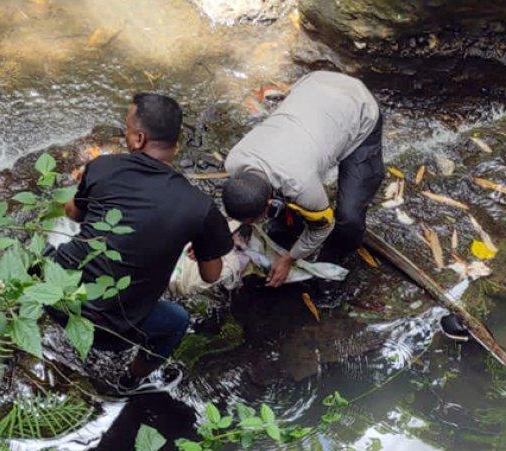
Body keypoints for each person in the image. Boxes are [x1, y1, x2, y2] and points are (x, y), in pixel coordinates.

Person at [52, 93, 233, 388]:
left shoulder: (102, 167)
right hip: (111, 334)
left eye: (126, 128)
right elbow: (211, 274)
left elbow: (73, 214)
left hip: (56, 296)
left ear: (138, 138)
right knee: (176, 321)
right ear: (175, 143)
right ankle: (130, 381)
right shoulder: (199, 206)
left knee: (43, 255)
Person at [222, 71, 384, 288]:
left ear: (270, 202)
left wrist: (289, 259)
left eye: (254, 219)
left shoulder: (299, 185)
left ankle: (335, 262)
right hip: (313, 86)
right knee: (287, 220)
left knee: (349, 219)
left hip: (357, 107)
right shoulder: (234, 160)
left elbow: (323, 227)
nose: (252, 224)